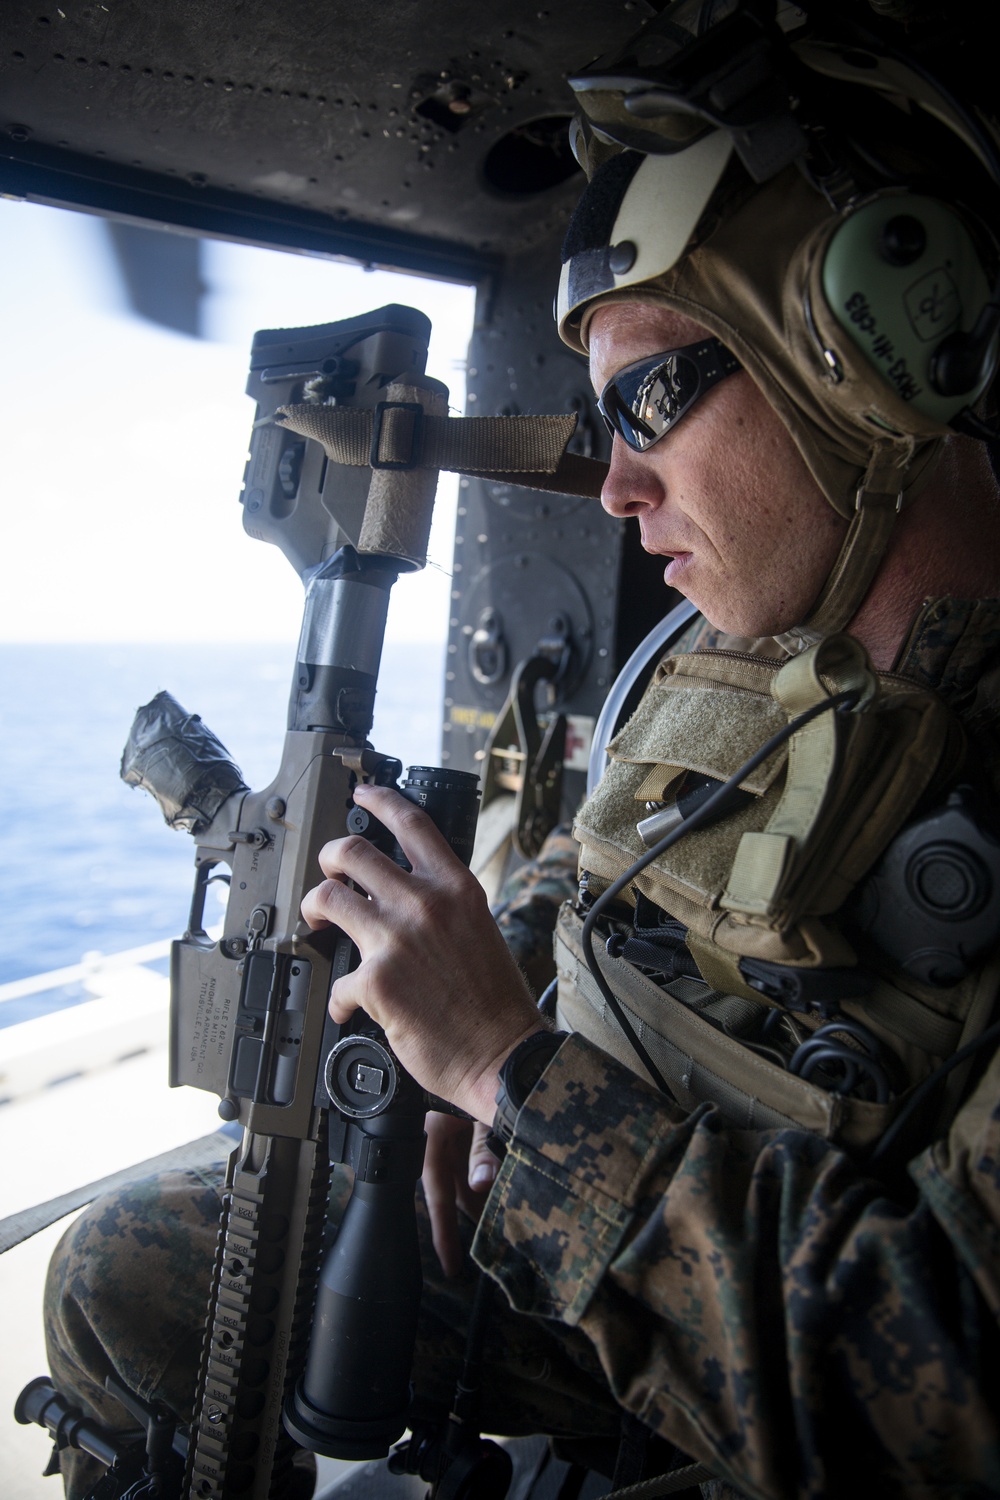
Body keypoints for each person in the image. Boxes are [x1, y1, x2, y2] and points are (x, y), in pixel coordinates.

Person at [42, 3, 1000, 1496]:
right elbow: (592, 881)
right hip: (562, 1190)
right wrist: (448, 1068)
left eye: (650, 400)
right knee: (126, 1280)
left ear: (862, 360)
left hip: (758, 1340)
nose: (613, 485)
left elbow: (948, 1396)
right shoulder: (710, 656)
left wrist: (514, 1078)